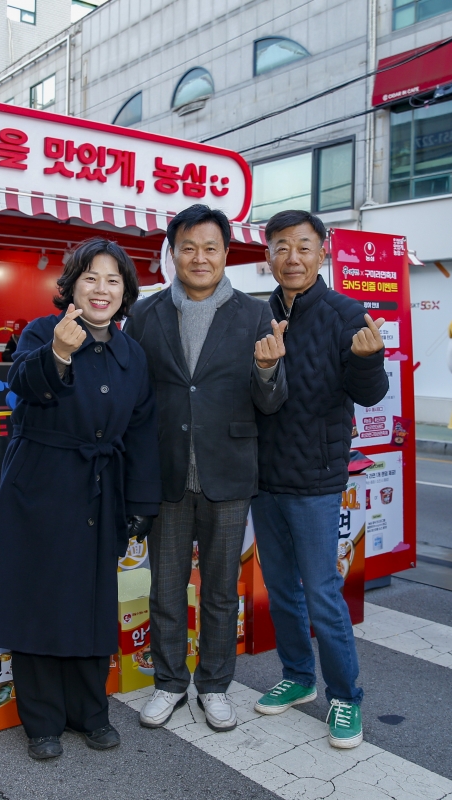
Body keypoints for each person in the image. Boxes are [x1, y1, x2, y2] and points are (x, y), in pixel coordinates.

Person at [0, 238, 161, 760]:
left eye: (113, 280)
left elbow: (142, 431)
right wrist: (58, 352)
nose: (101, 289)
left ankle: (90, 712)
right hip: (39, 485)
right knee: (35, 600)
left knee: (92, 600)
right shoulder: (42, 331)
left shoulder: (131, 353)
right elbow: (22, 385)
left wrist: (142, 502)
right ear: (72, 286)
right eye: (90, 278)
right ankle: (42, 722)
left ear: (125, 292)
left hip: (101, 491)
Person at [124, 204, 287, 733]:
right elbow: (133, 396)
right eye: (188, 247)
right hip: (166, 474)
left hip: (229, 472)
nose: (200, 257)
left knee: (220, 591)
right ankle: (169, 683)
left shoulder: (254, 314)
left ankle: (215, 685)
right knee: (165, 589)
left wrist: (267, 370)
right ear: (172, 254)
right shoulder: (145, 314)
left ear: (225, 254)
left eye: (210, 248)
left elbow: (271, 401)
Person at [247, 210, 389, 749]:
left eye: (304, 247)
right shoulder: (256, 315)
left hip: (317, 477)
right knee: (281, 588)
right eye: (281, 247)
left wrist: (369, 361)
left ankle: (345, 697)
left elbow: (369, 394)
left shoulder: (344, 313)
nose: (292, 258)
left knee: (323, 592)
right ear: (267, 256)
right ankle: (298, 677)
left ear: (322, 252)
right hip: (264, 476)